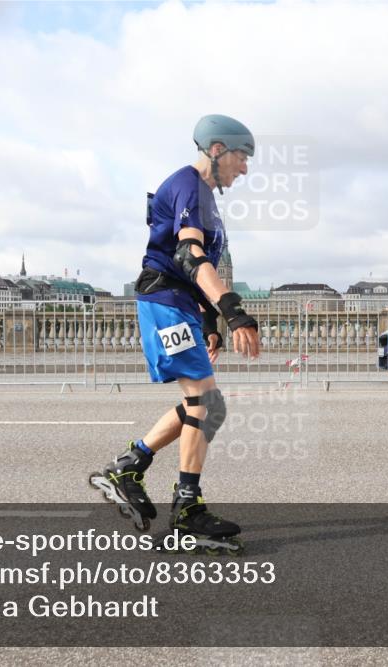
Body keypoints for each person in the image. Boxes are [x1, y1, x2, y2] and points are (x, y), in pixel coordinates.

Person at [89, 114, 260, 554]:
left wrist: (208, 322)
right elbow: (187, 254)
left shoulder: (204, 196)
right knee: (206, 402)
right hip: (164, 301)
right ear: (217, 150)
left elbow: (192, 268)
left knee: (207, 404)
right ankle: (186, 510)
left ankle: (129, 466)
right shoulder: (189, 183)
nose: (244, 168)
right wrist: (232, 311)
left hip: (178, 303)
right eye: (242, 157)